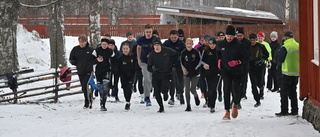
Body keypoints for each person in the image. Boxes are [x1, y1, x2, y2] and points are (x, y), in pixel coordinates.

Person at [216, 25, 248, 120]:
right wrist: (219, 60)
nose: (229, 38)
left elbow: (246, 58)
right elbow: (218, 53)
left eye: (231, 36)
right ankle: (227, 111)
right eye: (227, 36)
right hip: (225, 70)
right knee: (226, 89)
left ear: (234, 36)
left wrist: (237, 62)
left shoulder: (239, 45)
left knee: (236, 89)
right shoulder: (221, 44)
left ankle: (235, 105)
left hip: (237, 70)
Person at [148, 37, 178, 113]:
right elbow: (149, 67)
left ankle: (165, 93)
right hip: (156, 75)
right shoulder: (152, 54)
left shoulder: (167, 50)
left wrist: (174, 65)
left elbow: (176, 54)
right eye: (155, 45)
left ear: (160, 45)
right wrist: (152, 69)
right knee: (157, 92)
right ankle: (161, 107)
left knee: (164, 89)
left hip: (166, 74)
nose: (156, 47)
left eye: (158, 45)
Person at [275, 31, 299, 116]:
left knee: (284, 93)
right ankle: (294, 110)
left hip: (286, 73)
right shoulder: (298, 45)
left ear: (286, 38)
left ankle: (284, 110)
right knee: (293, 92)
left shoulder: (285, 47)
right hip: (296, 73)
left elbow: (280, 60)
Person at [69, 35, 97, 109]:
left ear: (86, 42)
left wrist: (90, 63)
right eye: (80, 42)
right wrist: (76, 62)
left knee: (85, 84)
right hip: (80, 70)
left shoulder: (91, 50)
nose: (81, 43)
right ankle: (90, 96)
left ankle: (87, 102)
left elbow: (95, 59)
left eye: (83, 42)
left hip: (88, 70)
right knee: (83, 87)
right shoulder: (75, 49)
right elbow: (71, 58)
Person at [163, 30, 186, 105]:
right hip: (169, 64)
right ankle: (172, 97)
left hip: (179, 64)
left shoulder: (181, 43)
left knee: (180, 80)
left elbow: (184, 53)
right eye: (172, 37)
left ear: (178, 36)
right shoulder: (166, 43)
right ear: (170, 36)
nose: (173, 39)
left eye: (175, 37)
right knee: (171, 81)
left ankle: (181, 94)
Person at [93, 38, 114, 111]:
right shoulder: (97, 50)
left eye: (105, 44)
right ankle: (101, 101)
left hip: (107, 70)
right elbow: (91, 60)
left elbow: (113, 60)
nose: (104, 46)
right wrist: (97, 60)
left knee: (105, 87)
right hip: (98, 71)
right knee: (100, 87)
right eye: (103, 44)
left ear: (108, 45)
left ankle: (103, 103)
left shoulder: (110, 52)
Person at [137, 24, 156, 106]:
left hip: (153, 62)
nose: (148, 33)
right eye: (147, 32)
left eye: (150, 32)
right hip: (144, 61)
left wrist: (152, 55)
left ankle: (149, 88)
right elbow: (138, 48)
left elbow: (159, 49)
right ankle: (147, 97)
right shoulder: (141, 40)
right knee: (146, 78)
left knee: (152, 80)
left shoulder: (155, 39)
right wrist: (138, 58)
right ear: (144, 32)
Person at [248, 34, 269, 108]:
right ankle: (257, 100)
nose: (252, 42)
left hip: (260, 66)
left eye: (254, 40)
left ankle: (261, 89)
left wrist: (263, 60)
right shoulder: (247, 47)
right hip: (251, 66)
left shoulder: (261, 46)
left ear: (256, 40)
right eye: (251, 40)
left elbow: (267, 54)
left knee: (260, 82)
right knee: (253, 84)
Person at [180, 38, 201, 111]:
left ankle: (196, 96)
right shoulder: (183, 53)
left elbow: (199, 61)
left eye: (190, 43)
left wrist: (197, 68)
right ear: (185, 44)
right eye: (187, 43)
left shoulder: (196, 52)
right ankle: (188, 105)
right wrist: (183, 69)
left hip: (195, 73)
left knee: (193, 89)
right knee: (187, 89)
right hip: (187, 73)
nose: (188, 45)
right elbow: (181, 62)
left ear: (192, 44)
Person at [202, 37, 220, 113]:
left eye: (213, 44)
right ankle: (209, 101)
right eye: (210, 44)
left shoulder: (218, 51)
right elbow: (202, 61)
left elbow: (223, 60)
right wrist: (204, 65)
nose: (212, 46)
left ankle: (213, 105)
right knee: (209, 89)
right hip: (208, 73)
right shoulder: (206, 51)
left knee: (214, 88)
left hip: (217, 72)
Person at [236, 27, 252, 107]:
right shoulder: (233, 42)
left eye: (240, 35)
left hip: (244, 65)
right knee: (235, 83)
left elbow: (249, 55)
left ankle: (242, 94)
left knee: (243, 81)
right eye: (238, 35)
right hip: (234, 66)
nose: (239, 37)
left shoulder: (247, 42)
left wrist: (242, 61)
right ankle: (236, 98)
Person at [118, 43, 137, 110]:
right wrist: (120, 74)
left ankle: (128, 102)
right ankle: (127, 100)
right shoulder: (120, 58)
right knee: (125, 89)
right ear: (122, 49)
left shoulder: (132, 57)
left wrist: (134, 73)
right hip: (123, 76)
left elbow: (135, 66)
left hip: (131, 75)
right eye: (124, 49)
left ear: (129, 49)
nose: (125, 50)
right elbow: (118, 68)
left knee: (128, 87)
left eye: (127, 49)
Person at [257, 32, 272, 99]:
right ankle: (258, 88)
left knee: (262, 77)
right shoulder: (255, 43)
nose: (260, 39)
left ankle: (261, 92)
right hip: (255, 63)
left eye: (261, 38)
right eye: (259, 38)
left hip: (263, 63)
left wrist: (269, 61)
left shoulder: (266, 44)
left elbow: (269, 53)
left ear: (264, 38)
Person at [132, 34, 145, 103]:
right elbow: (133, 56)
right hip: (138, 66)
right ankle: (142, 95)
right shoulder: (135, 47)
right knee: (140, 79)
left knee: (147, 80)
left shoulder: (146, 45)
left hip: (146, 64)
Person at [216, 31, 225, 102]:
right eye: (220, 37)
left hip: (226, 65)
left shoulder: (227, 43)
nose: (221, 38)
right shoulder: (216, 44)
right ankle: (219, 93)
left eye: (222, 37)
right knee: (219, 81)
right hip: (218, 65)